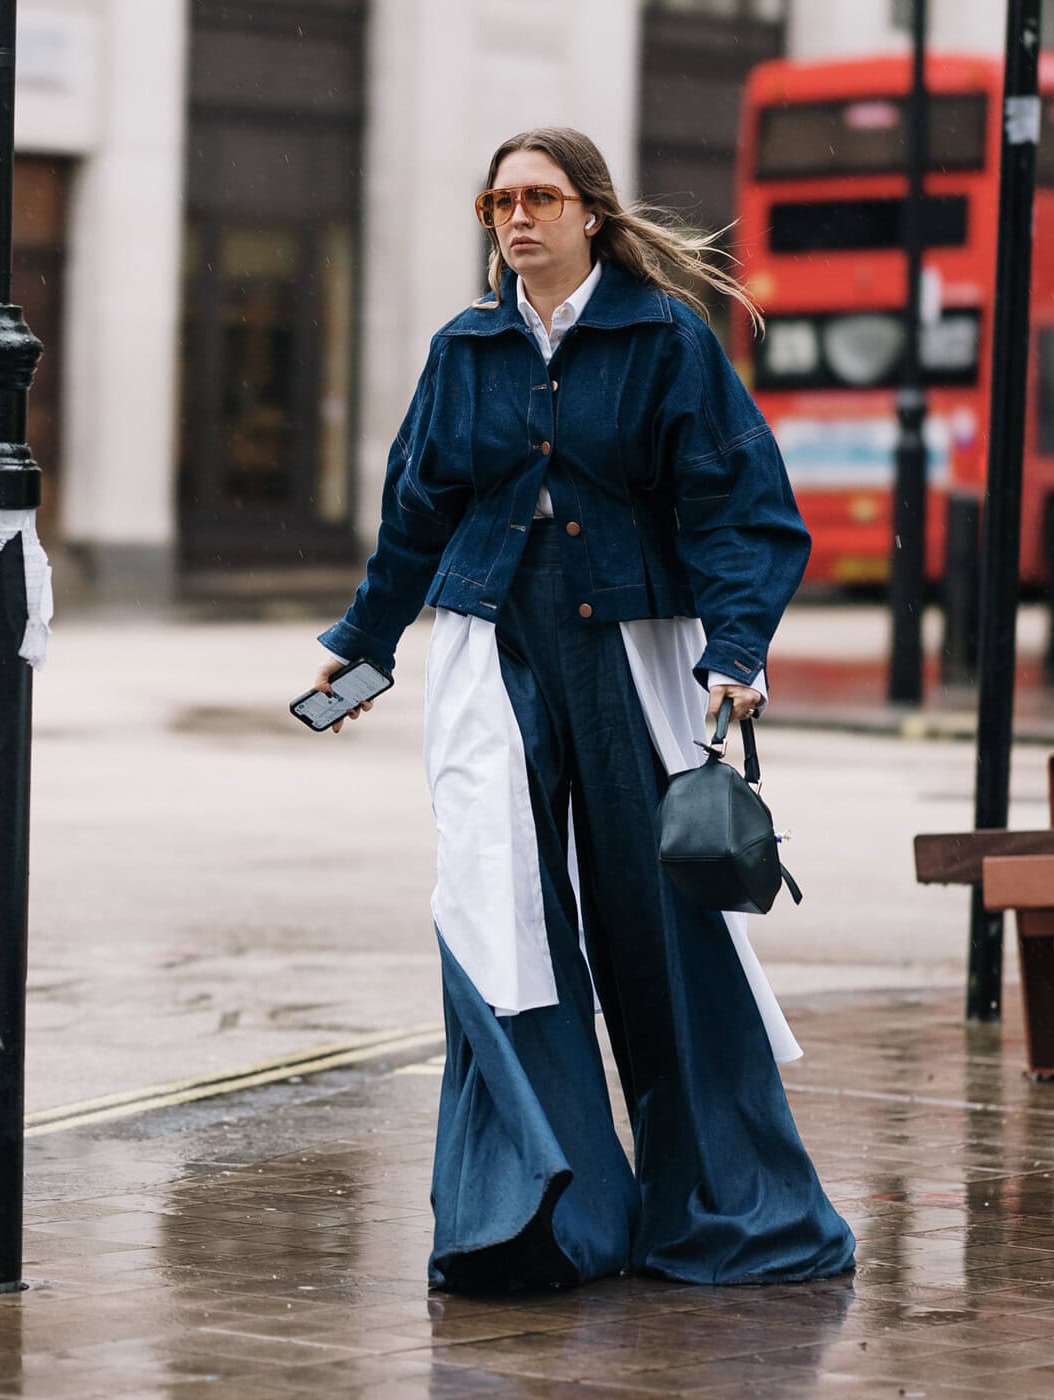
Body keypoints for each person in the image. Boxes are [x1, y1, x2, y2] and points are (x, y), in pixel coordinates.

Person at [310, 127, 855, 1291]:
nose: (515, 219)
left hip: (636, 652)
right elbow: (416, 510)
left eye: (539, 197)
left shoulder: (663, 336)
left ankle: (719, 1210)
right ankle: (538, 1219)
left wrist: (737, 647)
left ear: (589, 214)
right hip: (487, 646)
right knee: (496, 912)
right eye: (497, 201)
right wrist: (358, 651)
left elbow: (736, 503)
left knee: (657, 918)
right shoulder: (464, 348)